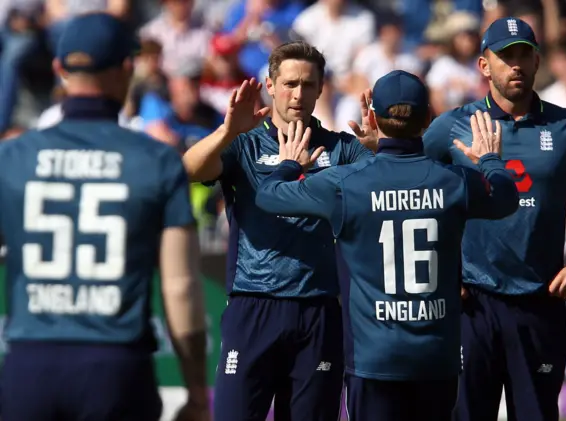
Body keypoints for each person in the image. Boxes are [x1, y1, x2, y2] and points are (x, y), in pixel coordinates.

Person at [253, 69, 519, 421]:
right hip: (435, 358)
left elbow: (268, 196)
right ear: (427, 118)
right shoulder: (454, 181)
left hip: (373, 358)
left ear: (374, 118)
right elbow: (506, 199)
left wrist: (288, 163)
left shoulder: (346, 183)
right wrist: (490, 160)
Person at [422, 17, 566, 421]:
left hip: (541, 302)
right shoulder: (451, 126)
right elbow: (412, 195)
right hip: (471, 306)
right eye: (505, 56)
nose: (516, 64)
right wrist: (441, 271)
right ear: (484, 65)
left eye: (525, 54)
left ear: (538, 62)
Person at [0, 13, 209, 421]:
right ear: (127, 69)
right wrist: (197, 393)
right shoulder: (158, 161)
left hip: (29, 368)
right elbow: (181, 287)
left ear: (59, 70)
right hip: (116, 369)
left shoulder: (11, 158)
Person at [182, 41, 376, 421]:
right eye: (289, 84)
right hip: (253, 306)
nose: (298, 94)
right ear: (270, 85)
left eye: (307, 84)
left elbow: (390, 188)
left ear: (321, 89)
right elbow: (187, 170)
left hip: (319, 310)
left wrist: (380, 149)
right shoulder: (245, 143)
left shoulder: (342, 149)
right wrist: (226, 131)